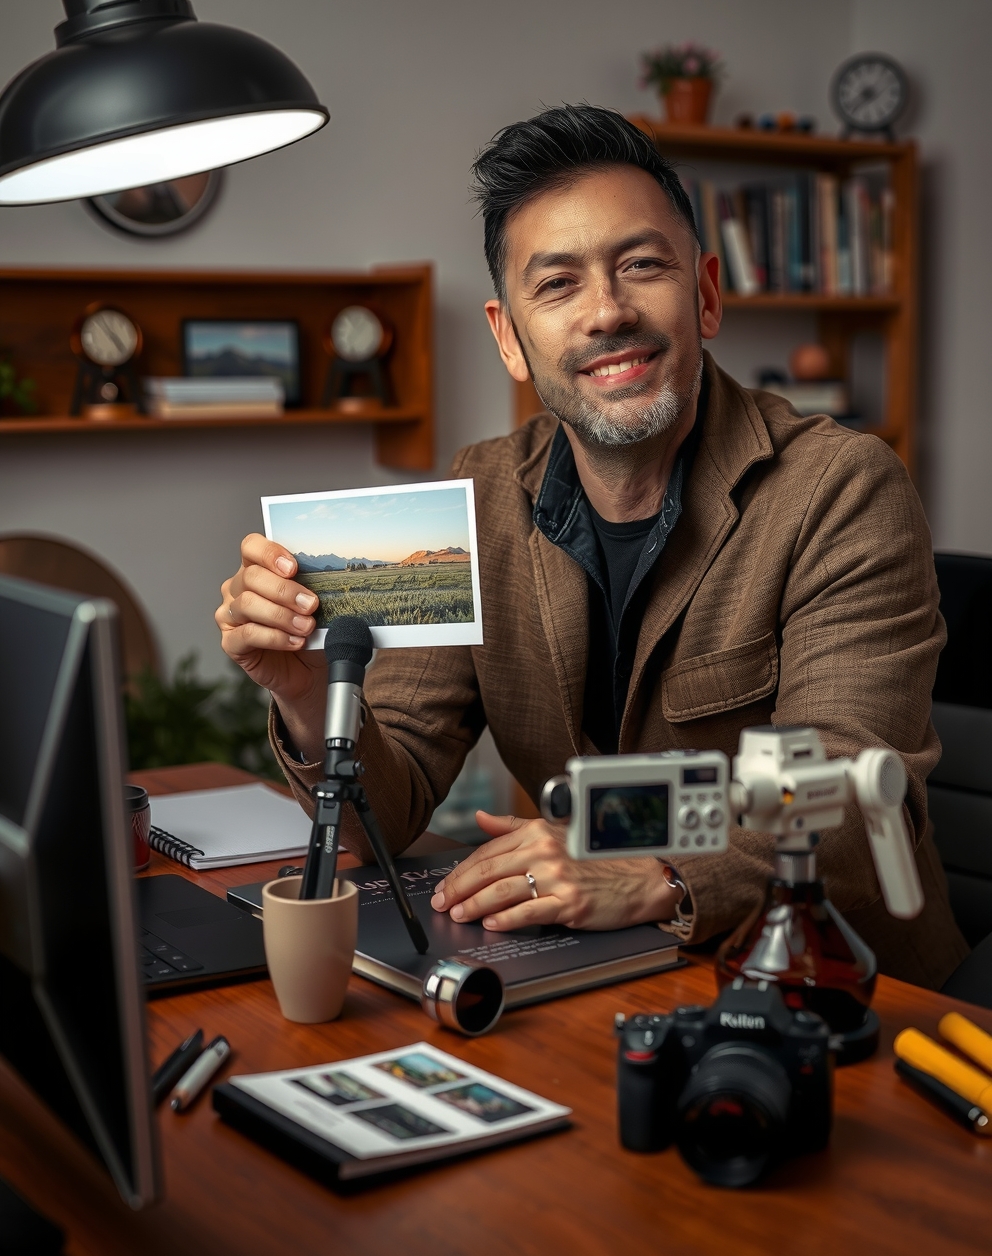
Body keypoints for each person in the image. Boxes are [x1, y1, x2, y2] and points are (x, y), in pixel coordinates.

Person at [217, 104, 967, 988]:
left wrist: (640, 861)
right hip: (606, 971)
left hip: (844, 990)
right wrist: (311, 698)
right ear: (510, 337)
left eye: (642, 266)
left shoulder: (841, 488)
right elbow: (390, 802)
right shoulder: (482, 493)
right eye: (558, 284)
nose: (608, 312)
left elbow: (847, 793)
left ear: (707, 294)